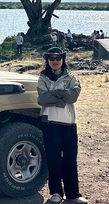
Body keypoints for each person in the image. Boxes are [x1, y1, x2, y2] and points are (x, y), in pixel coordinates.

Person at [37, 47, 85, 204]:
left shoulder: (72, 77)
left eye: (58, 58)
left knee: (70, 159)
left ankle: (73, 194)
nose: (55, 61)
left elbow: (73, 96)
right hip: (50, 123)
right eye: (52, 59)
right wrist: (62, 97)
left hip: (69, 123)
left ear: (63, 60)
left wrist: (55, 95)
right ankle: (56, 192)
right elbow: (42, 99)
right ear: (47, 61)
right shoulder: (43, 78)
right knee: (54, 159)